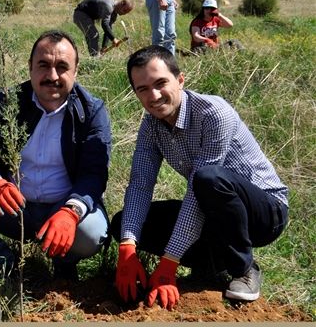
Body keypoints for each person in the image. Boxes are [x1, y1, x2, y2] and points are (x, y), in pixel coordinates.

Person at [111, 45, 288, 310]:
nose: (154, 95)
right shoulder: (150, 125)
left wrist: (170, 261)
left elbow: (199, 187)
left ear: (180, 80)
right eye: (143, 89)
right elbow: (140, 184)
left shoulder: (213, 113)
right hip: (214, 208)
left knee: (208, 178)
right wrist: (127, 245)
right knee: (122, 223)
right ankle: (210, 264)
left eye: (161, 83)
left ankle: (243, 268)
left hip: (264, 213)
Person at [0, 30, 112, 281]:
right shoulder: (9, 101)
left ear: (76, 72)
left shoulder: (91, 111)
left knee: (92, 232)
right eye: (43, 65)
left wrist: (70, 212)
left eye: (62, 67)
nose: (52, 76)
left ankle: (63, 260)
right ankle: (1, 263)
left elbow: (94, 172)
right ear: (30, 68)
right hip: (12, 206)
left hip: (62, 206)